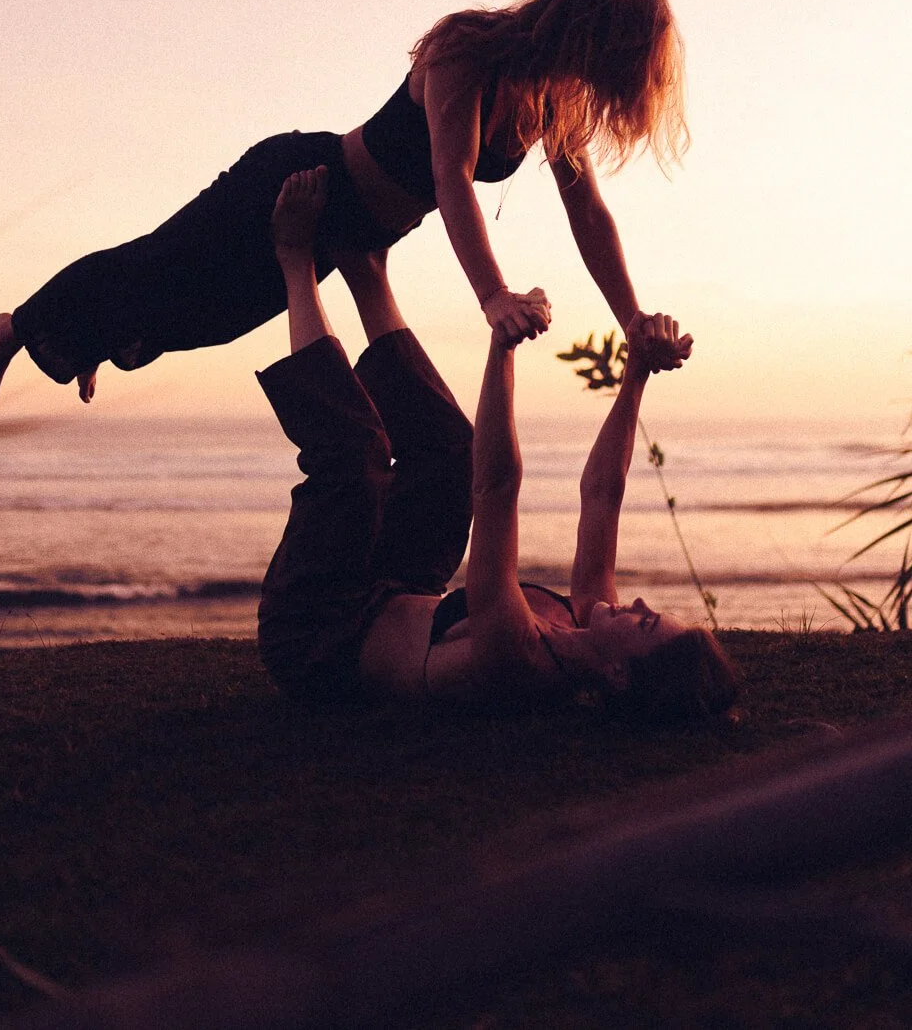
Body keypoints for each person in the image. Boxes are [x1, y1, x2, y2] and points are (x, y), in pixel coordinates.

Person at [0, 0, 687, 419]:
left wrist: (632, 319)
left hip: (350, 234)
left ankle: (92, 334)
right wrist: (492, 295)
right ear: (587, 26)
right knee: (158, 263)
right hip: (295, 184)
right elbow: (451, 177)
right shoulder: (469, 48)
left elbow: (587, 212)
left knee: (210, 321)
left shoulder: (554, 106)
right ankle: (13, 328)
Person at [257, 167, 736, 722]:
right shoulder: (587, 617)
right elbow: (603, 495)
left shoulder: (516, 655)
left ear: (618, 674)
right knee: (451, 455)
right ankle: (366, 273)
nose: (640, 604)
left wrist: (502, 345)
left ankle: (296, 260)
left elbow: (498, 489)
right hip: (394, 584)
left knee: (357, 462)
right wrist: (637, 376)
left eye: (646, 623)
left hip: (317, 630)